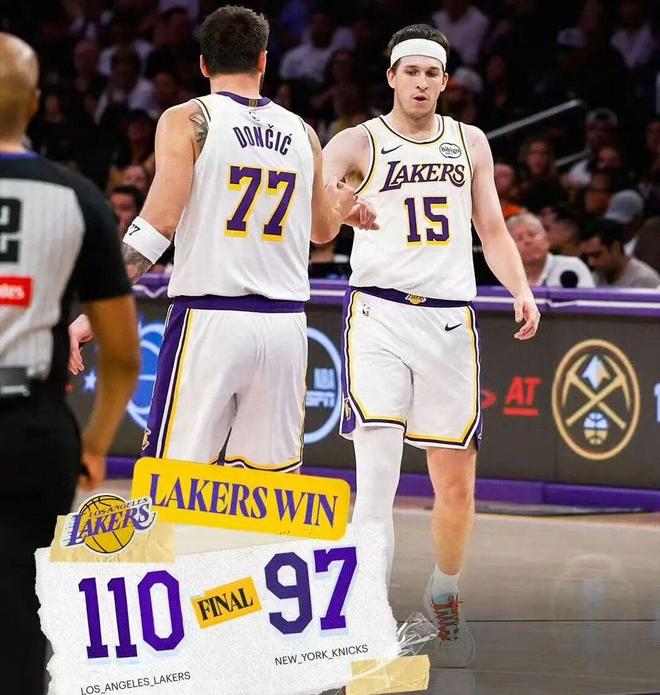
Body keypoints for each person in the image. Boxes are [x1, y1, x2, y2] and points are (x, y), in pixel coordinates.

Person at [322, 24, 540, 667]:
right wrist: (338, 203)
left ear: (446, 82)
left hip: (449, 322)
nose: (420, 83)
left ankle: (444, 591)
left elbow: (492, 228)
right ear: (391, 76)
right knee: (376, 483)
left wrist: (522, 289)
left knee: (457, 490)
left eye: (431, 73)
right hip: (379, 315)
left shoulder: (470, 142)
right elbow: (317, 205)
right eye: (410, 71)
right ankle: (368, 622)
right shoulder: (358, 140)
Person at [69, 6, 363, 472]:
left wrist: (99, 310)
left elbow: (158, 224)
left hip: (210, 318)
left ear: (204, 64)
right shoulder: (303, 132)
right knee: (267, 493)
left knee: (174, 481)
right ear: (263, 61)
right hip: (285, 327)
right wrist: (344, 204)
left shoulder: (187, 118)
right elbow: (323, 232)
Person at [0, 33, 140, 695]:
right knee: (20, 609)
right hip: (34, 428)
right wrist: (96, 441)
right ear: (35, 104)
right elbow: (124, 353)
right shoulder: (79, 197)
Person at [507, 212, 594, 287]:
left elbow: (588, 300)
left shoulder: (572, 266)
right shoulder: (505, 275)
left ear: (546, 239)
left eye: (532, 235)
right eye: (519, 238)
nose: (527, 241)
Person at [581, 218, 660, 288]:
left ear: (615, 248)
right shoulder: (594, 278)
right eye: (587, 256)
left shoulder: (643, 280)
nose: (591, 262)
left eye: (596, 255)